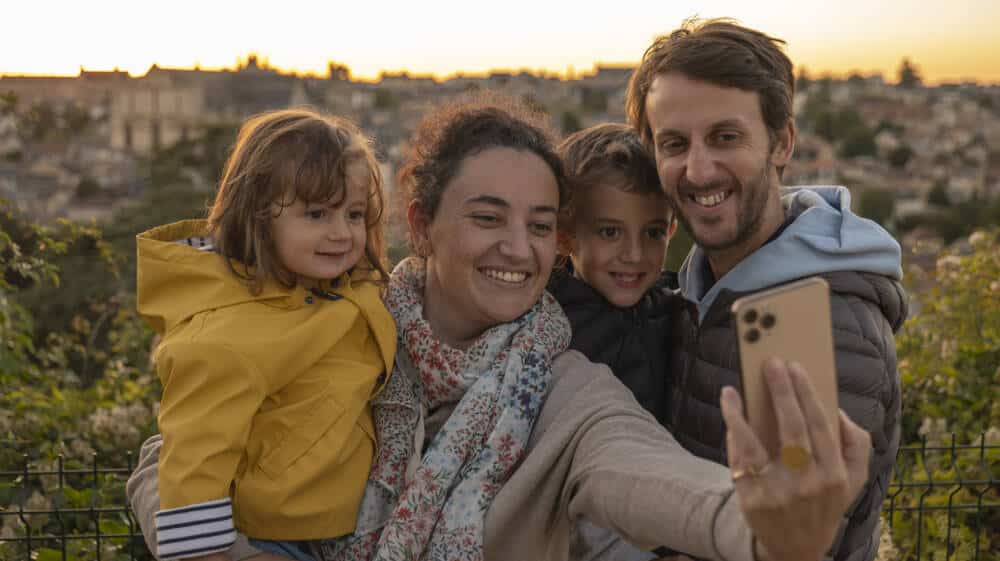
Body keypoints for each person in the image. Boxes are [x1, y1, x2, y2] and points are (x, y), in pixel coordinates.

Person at [128, 96, 873, 561]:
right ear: (420, 223)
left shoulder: (562, 388)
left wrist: (764, 529)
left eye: (541, 226)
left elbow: (637, 465)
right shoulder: (339, 328)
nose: (519, 249)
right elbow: (169, 455)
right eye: (487, 218)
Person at [625, 18, 908, 561]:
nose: (698, 169)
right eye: (675, 144)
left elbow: (796, 541)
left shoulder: (821, 325)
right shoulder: (705, 286)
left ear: (782, 143)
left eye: (725, 137)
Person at [135, 109, 396, 561]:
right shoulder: (226, 334)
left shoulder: (346, 291)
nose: (342, 233)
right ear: (258, 217)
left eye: (354, 215)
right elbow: (196, 461)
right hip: (272, 541)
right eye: (317, 214)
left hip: (338, 534)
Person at [547, 123, 678, 422]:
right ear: (565, 237)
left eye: (653, 233)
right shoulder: (552, 332)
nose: (634, 255)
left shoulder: (677, 309)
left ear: (671, 230)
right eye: (610, 232)